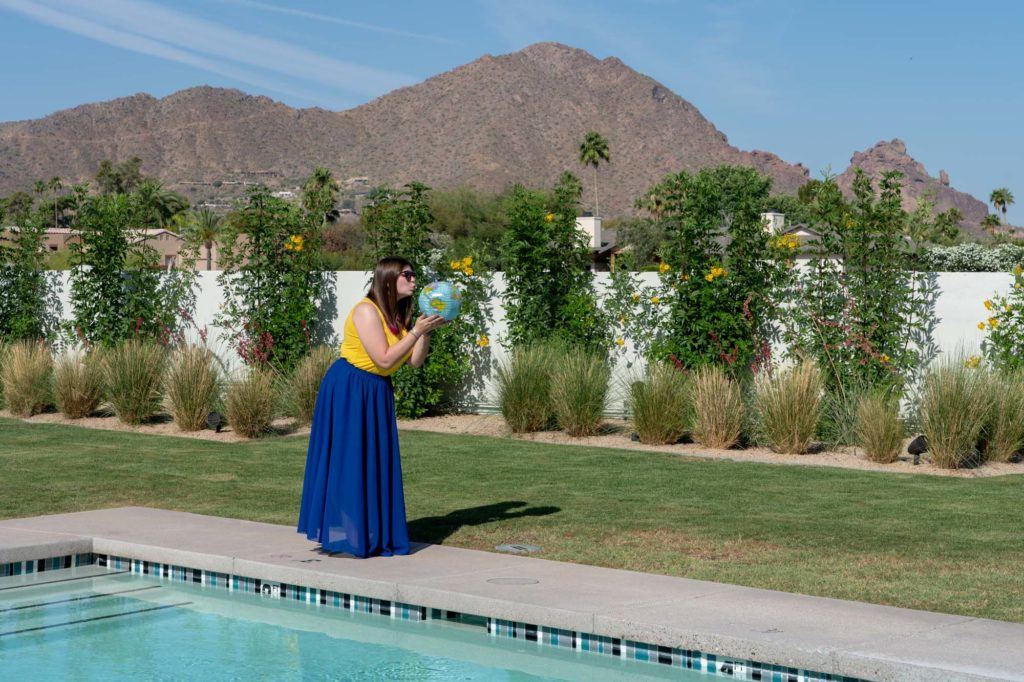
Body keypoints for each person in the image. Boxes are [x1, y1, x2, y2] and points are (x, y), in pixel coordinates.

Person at [297, 256, 446, 558]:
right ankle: (351, 537)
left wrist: (425, 331)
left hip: (375, 390)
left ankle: (370, 532)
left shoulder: (397, 315)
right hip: (351, 387)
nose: (414, 280)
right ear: (389, 279)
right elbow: (386, 360)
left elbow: (415, 361)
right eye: (408, 274)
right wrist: (415, 332)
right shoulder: (367, 311)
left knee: (372, 459)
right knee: (349, 460)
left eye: (414, 274)